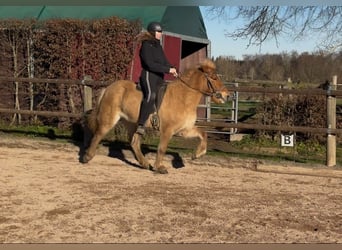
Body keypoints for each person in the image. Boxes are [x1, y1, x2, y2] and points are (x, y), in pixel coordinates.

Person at [135, 21, 178, 135]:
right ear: (152, 32)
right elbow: (150, 64)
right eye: (159, 31)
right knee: (151, 95)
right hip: (149, 75)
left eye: (161, 32)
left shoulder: (158, 45)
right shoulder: (146, 45)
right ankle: (141, 124)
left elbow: (164, 61)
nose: (160, 33)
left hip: (159, 77)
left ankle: (158, 120)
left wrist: (172, 68)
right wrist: (168, 70)